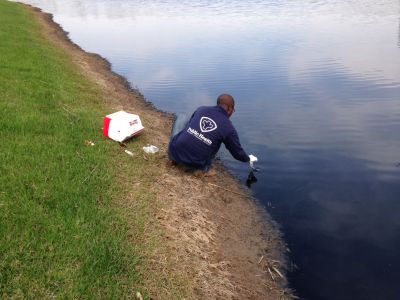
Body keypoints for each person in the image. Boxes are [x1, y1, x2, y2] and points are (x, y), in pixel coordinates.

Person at [168, 93, 257, 175]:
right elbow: (237, 153)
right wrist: (248, 159)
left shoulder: (201, 109)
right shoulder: (229, 127)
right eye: (233, 110)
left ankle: (178, 154)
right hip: (196, 164)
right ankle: (199, 168)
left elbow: (189, 125)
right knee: (217, 139)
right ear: (230, 109)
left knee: (182, 118)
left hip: (173, 153)